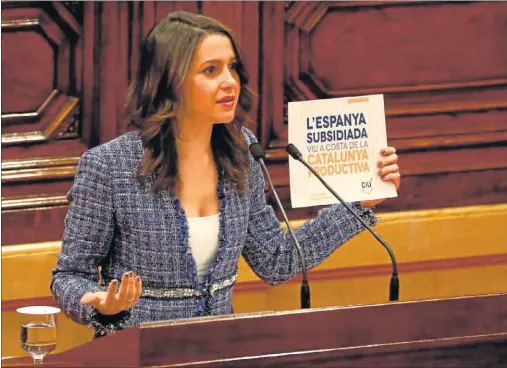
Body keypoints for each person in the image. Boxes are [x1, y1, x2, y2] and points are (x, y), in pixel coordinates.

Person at [50, 11, 401, 338]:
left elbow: (276, 260)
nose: (230, 82)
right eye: (210, 70)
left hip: (218, 349)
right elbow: (69, 277)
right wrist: (100, 303)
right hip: (138, 350)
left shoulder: (242, 151)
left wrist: (359, 204)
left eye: (232, 68)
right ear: (170, 81)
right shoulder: (110, 166)